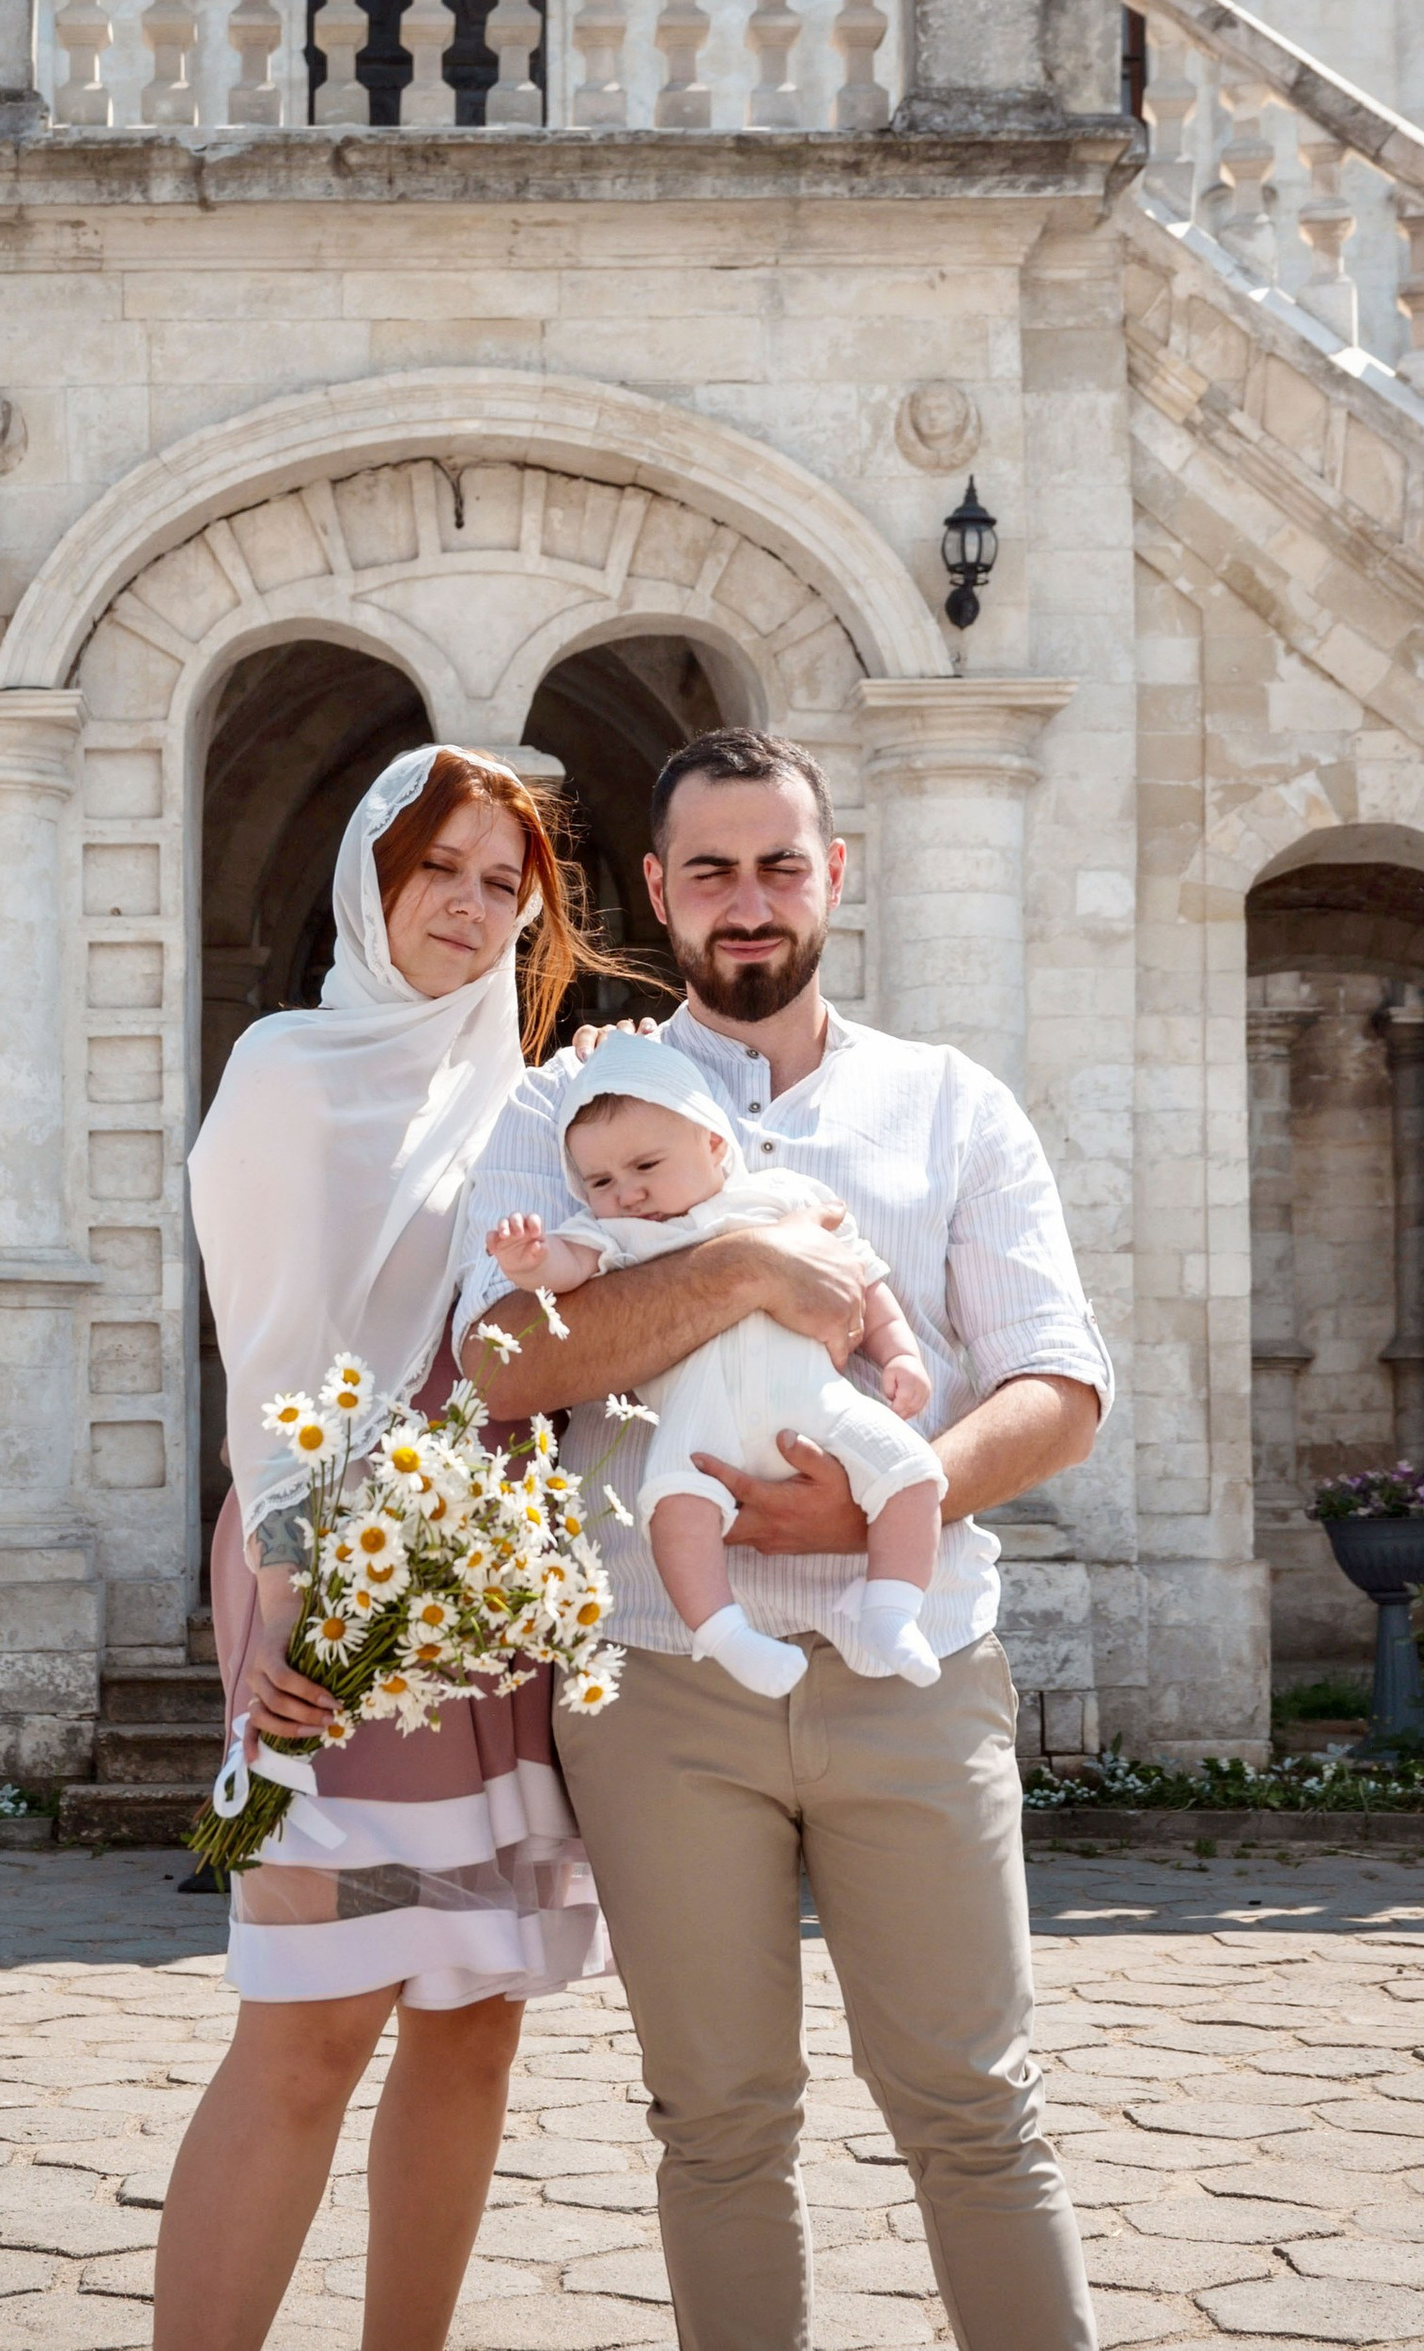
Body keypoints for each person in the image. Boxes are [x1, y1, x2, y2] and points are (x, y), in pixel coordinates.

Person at [460, 727, 1111, 2351]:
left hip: (916, 1664)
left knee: (977, 2106)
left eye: (778, 864)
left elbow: (1060, 1383)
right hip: (663, 1681)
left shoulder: (950, 1105)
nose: (747, 899)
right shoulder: (562, 1109)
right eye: (711, 870)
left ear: (835, 873)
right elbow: (502, 1361)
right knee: (718, 2119)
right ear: (657, 889)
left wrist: (902, 1492)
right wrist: (745, 1268)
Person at [155, 744, 617, 2351]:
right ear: (374, 876)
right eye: (443, 868)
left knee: (475, 2017)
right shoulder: (288, 1067)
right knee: (310, 2020)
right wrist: (275, 1617)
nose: (473, 908)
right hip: (329, 1573)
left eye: (505, 883)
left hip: (490, 1585)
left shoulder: (526, 1092)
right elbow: (272, 1362)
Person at [484, 1036, 945, 1696]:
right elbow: (567, 1266)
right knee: (674, 1508)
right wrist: (530, 1261)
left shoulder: (780, 1198)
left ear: (714, 1144)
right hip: (701, 1421)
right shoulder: (616, 1234)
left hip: (817, 1402)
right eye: (600, 1181)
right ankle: (727, 1635)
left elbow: (863, 1280)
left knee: (914, 1471)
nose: (629, 1192)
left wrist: (898, 1352)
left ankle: (893, 1610)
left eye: (646, 1164)